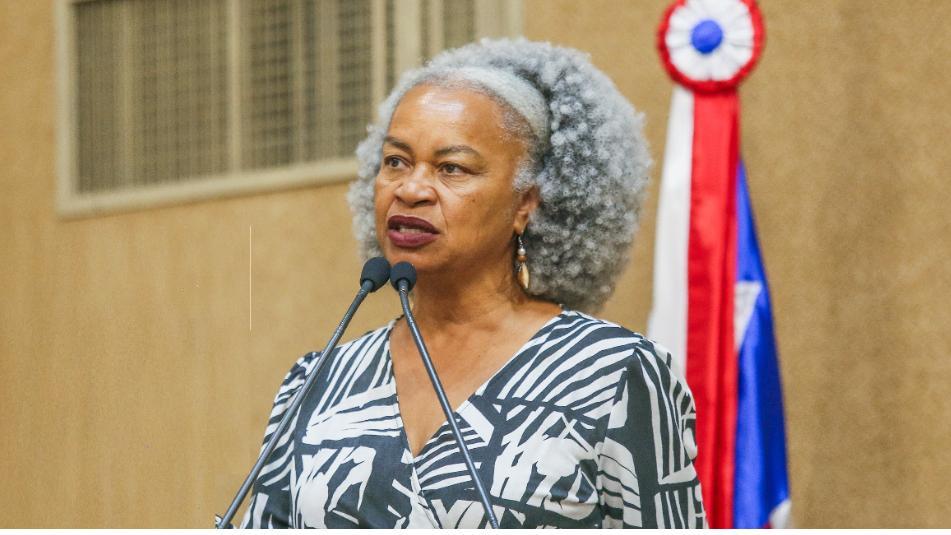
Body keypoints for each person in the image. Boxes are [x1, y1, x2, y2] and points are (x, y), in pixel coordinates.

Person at [239, 38, 706, 529]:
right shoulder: (319, 381)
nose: (411, 189)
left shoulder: (614, 374)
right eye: (396, 161)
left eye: (452, 168)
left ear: (526, 204)